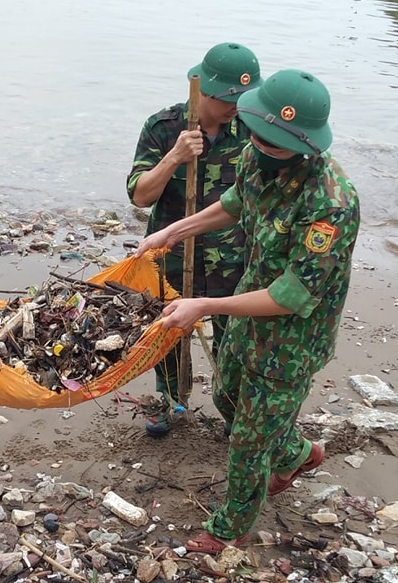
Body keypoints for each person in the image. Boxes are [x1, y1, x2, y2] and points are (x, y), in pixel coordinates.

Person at [135, 69, 360, 553]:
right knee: (228, 401)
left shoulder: (330, 203)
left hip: (292, 340)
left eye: (272, 143)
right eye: (256, 135)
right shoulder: (259, 158)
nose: (257, 145)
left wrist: (204, 305)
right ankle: (299, 452)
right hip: (246, 311)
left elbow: (292, 295)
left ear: (304, 144)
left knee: (247, 442)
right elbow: (233, 204)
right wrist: (171, 232)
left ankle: (231, 526)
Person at [126, 42, 260, 437]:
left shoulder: (252, 128)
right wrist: (174, 157)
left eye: (241, 98)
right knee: (167, 333)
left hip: (233, 255)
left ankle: (233, 413)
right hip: (171, 253)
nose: (234, 106)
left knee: (232, 339)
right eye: (226, 99)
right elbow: (140, 195)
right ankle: (172, 402)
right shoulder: (164, 127)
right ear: (201, 88)